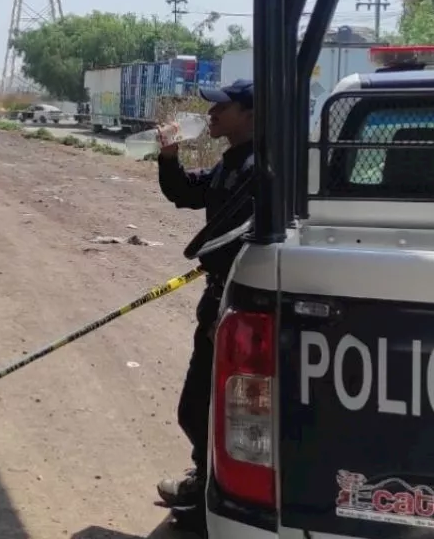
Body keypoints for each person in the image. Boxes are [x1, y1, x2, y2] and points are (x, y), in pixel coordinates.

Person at [154, 79, 255, 531]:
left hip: (235, 304)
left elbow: (245, 245)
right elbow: (188, 194)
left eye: (222, 108)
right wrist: (170, 156)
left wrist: (226, 313)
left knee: (207, 406)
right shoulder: (234, 163)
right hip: (221, 301)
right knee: (199, 406)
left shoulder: (262, 170)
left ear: (251, 114)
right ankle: (209, 482)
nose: (211, 115)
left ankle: (213, 496)